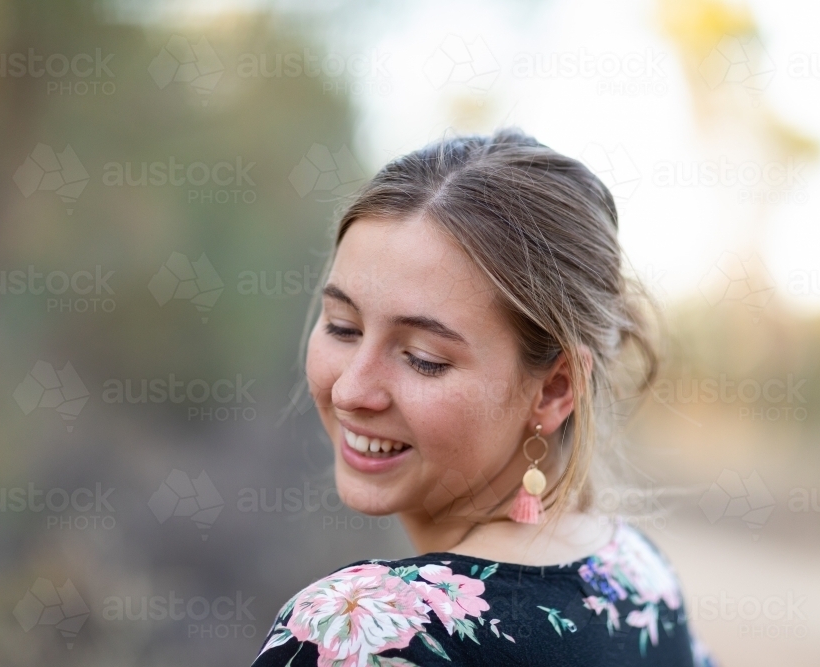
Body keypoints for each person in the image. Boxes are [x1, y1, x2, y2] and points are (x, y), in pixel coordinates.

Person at [252, 129, 716, 666]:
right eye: (342, 327)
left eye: (424, 358)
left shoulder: (359, 632)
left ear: (554, 388)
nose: (352, 390)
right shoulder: (636, 575)